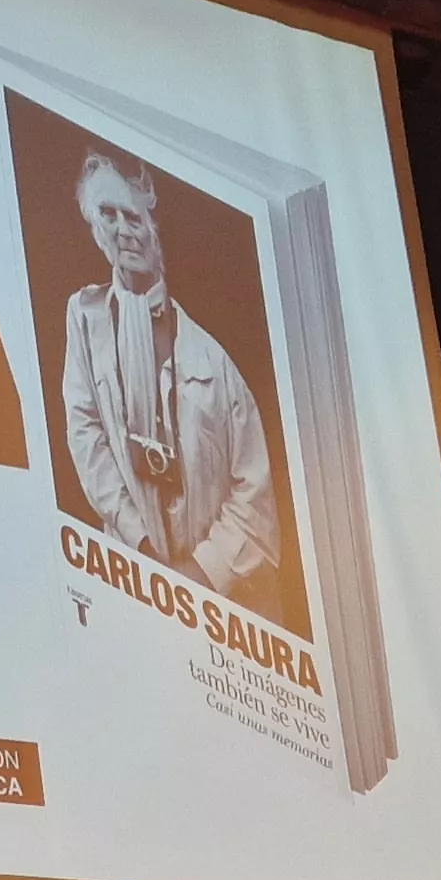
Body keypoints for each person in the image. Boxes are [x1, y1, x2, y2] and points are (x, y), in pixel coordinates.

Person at [55, 148, 279, 605]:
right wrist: (141, 548)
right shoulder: (85, 318)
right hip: (130, 582)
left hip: (214, 599)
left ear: (154, 227)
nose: (124, 231)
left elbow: (255, 497)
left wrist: (197, 574)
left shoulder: (214, 362)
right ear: (95, 227)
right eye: (108, 215)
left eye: (133, 217)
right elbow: (86, 436)